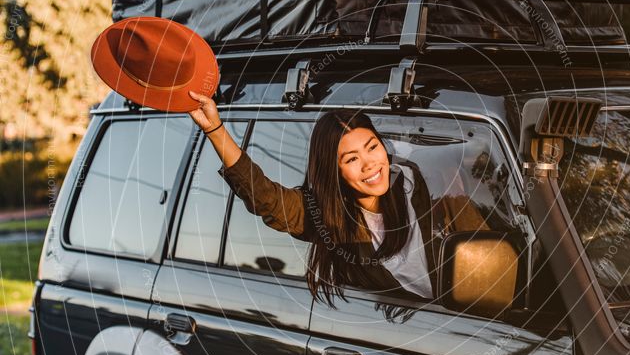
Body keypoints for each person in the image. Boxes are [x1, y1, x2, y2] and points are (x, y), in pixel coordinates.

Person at [187, 90, 489, 307]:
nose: (370, 164)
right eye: (352, 159)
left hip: (465, 319)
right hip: (402, 336)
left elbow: (489, 258)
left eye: (372, 147)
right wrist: (215, 130)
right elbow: (266, 198)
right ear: (334, 170)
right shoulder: (329, 215)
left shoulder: (429, 185)